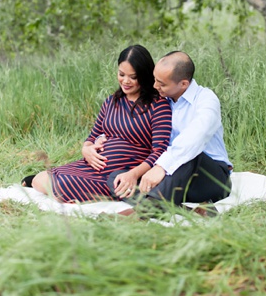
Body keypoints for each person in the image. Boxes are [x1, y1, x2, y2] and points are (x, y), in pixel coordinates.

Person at [26, 45, 172, 203]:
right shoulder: (112, 101)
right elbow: (93, 136)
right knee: (39, 179)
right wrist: (86, 149)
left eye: (133, 77)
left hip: (122, 174)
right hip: (90, 167)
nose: (126, 81)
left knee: (56, 185)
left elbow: (159, 151)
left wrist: (134, 174)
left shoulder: (158, 105)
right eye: (121, 74)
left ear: (144, 76)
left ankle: (87, 192)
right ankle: (75, 191)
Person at [108, 51, 232, 207]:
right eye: (155, 80)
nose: (155, 86)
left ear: (183, 84)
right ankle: (176, 208)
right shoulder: (160, 100)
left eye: (162, 83)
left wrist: (162, 167)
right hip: (173, 179)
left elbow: (196, 136)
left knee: (190, 157)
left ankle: (144, 211)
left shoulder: (206, 100)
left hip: (209, 178)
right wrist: (103, 137)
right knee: (118, 178)